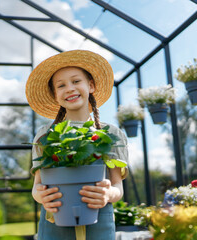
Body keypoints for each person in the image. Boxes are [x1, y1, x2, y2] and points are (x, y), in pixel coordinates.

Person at [26, 50, 129, 240]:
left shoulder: (111, 134)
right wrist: (42, 197)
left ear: (90, 86)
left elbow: (117, 186)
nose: (70, 89)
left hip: (99, 218)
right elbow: (37, 186)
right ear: (55, 95)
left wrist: (108, 194)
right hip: (54, 218)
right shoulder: (45, 135)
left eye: (76, 81)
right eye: (61, 85)